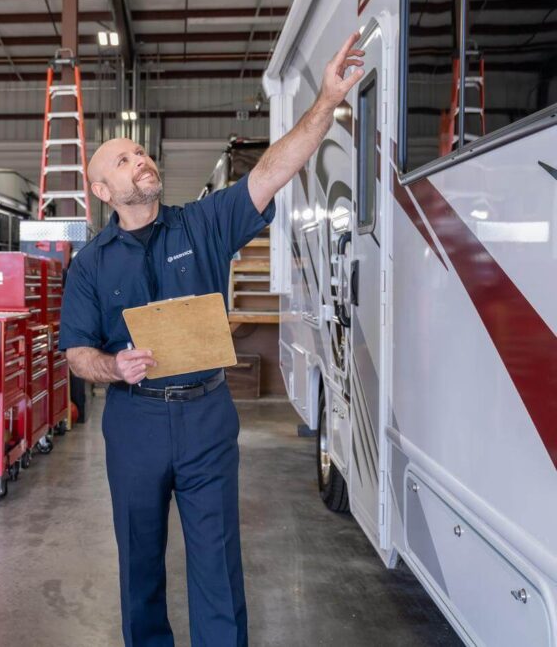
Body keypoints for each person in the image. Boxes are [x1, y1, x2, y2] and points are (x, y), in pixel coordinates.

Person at [59, 32, 365, 646]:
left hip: (205, 416)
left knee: (218, 564)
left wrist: (328, 100)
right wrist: (115, 368)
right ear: (100, 191)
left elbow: (277, 167)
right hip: (135, 423)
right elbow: (77, 353)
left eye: (141, 153)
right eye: (123, 161)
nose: (140, 161)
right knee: (139, 563)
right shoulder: (90, 264)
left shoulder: (204, 221)